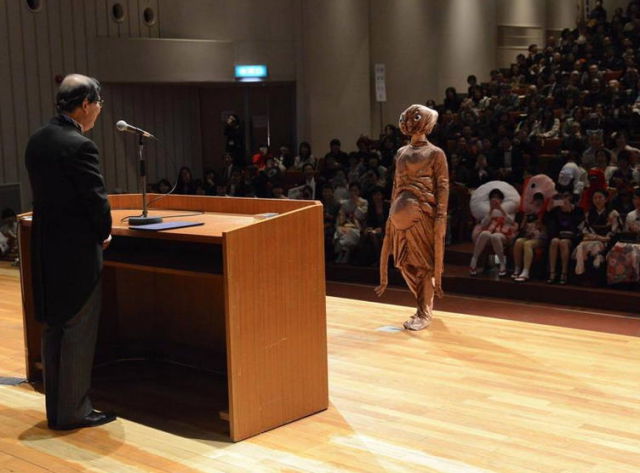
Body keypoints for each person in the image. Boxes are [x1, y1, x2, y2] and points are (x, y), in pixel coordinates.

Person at [25, 74, 115, 430]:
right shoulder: (79, 145)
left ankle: (57, 410)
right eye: (99, 104)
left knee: (54, 329)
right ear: (85, 105)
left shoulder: (38, 140)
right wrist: (104, 232)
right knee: (78, 329)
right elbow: (95, 199)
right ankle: (74, 411)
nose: (99, 112)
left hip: (46, 248)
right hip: (76, 252)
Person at [376, 104, 449, 331]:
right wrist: (390, 216)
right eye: (407, 118)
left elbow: (443, 187)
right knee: (403, 263)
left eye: (415, 118)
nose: (409, 122)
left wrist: (440, 218)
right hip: (399, 215)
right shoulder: (401, 152)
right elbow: (396, 186)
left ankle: (423, 311)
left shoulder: (436, 153)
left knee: (423, 265)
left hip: (423, 215)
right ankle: (423, 304)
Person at [469, 188, 516, 277]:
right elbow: (483, 224)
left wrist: (501, 209)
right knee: (484, 234)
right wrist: (491, 210)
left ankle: (502, 264)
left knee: (496, 236)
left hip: (503, 234)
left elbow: (511, 222)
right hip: (489, 231)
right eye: (493, 198)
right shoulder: (487, 210)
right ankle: (474, 260)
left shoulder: (508, 208)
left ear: (501, 199)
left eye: (498, 198)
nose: (495, 200)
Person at [545, 190, 584, 285]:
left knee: (563, 243)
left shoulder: (578, 211)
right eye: (561, 201)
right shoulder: (556, 211)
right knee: (554, 241)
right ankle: (552, 272)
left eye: (566, 201)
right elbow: (549, 224)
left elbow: (579, 228)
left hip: (572, 238)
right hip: (558, 236)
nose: (563, 203)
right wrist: (549, 209)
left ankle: (564, 273)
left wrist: (570, 212)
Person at [512, 192, 547, 282]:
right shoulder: (529, 213)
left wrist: (540, 222)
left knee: (527, 244)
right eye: (536, 200)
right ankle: (517, 268)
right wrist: (525, 218)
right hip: (529, 236)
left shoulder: (546, 213)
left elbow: (546, 230)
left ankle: (526, 271)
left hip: (540, 238)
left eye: (539, 201)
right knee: (518, 242)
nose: (537, 203)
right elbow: (522, 228)